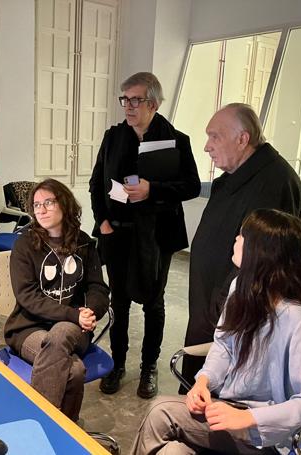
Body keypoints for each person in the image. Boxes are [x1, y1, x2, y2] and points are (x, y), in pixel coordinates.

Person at [132, 209, 301, 455]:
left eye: (243, 236)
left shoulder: (300, 321)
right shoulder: (241, 288)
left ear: (263, 252)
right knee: (171, 453)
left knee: (160, 411)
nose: (236, 240)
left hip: (262, 435)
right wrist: (203, 382)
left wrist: (248, 418)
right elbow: (224, 345)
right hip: (226, 409)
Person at [89, 72, 200, 399]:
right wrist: (103, 220)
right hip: (118, 232)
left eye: (135, 99)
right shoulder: (113, 138)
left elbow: (192, 186)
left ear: (153, 103)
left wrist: (154, 189)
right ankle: (118, 364)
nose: (128, 106)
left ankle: (149, 367)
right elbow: (98, 183)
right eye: (124, 99)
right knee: (119, 303)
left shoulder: (177, 140)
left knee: (153, 302)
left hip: (157, 237)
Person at [182, 103, 301, 388]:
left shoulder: (275, 183)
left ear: (242, 138)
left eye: (215, 137)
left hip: (232, 313)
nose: (206, 147)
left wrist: (219, 309)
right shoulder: (234, 176)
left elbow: (264, 262)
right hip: (210, 305)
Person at [4, 179, 109, 422]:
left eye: (48, 202)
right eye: (36, 204)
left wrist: (90, 311)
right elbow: (27, 296)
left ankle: (40, 425)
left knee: (62, 332)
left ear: (64, 203)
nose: (40, 210)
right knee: (74, 370)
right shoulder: (25, 244)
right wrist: (73, 315)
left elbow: (98, 288)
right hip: (29, 327)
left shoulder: (84, 243)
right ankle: (65, 428)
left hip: (75, 327)